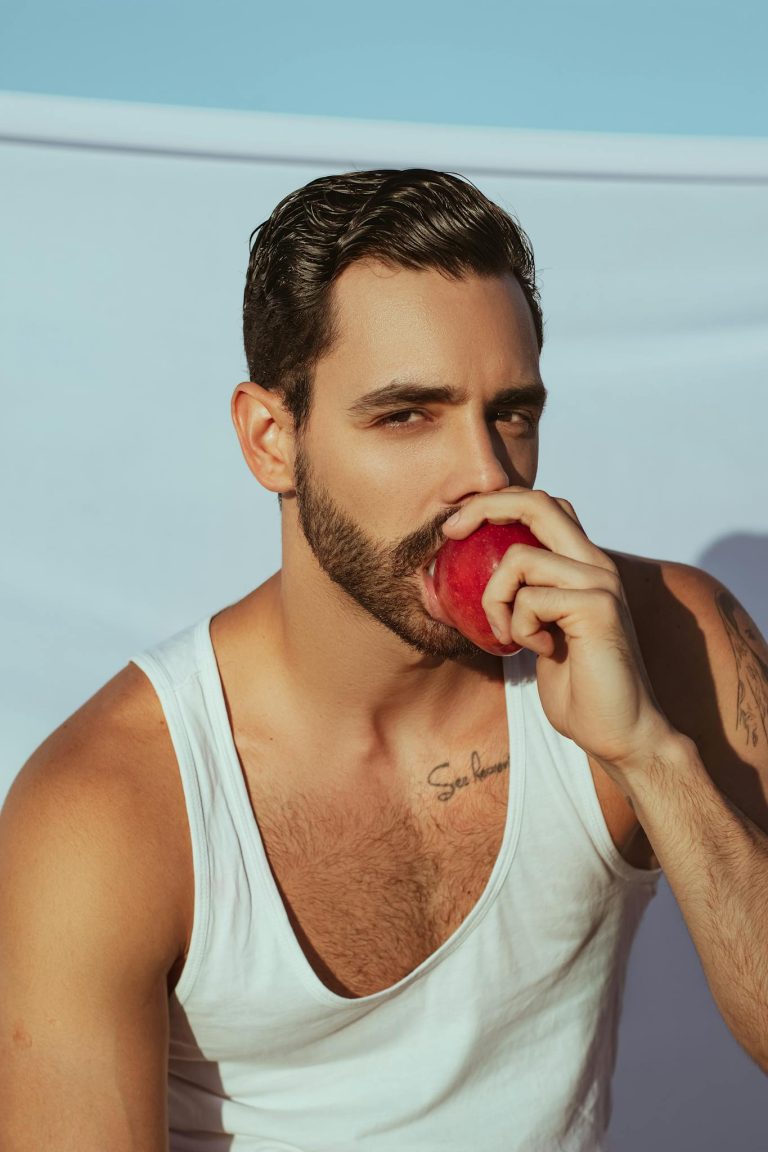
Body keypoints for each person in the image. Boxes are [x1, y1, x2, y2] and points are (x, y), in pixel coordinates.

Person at [1, 169, 767, 1152]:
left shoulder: (658, 639)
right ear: (272, 438)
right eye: (407, 416)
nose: (485, 478)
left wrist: (654, 758)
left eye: (512, 413)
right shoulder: (113, 805)